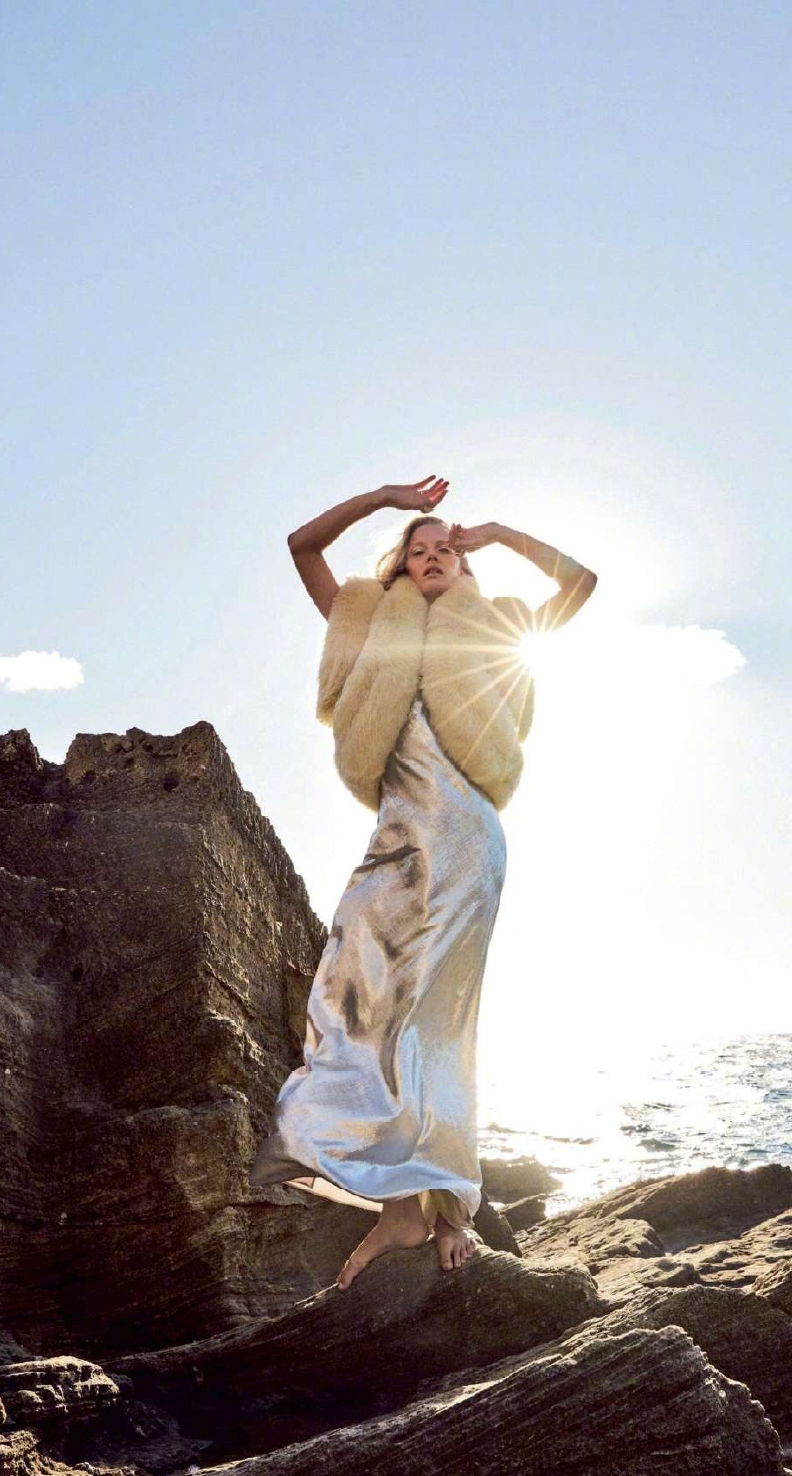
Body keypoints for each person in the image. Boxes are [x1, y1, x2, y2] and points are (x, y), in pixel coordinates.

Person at [249, 475, 596, 1289]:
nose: (434, 554)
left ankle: (440, 1209)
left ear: (463, 565)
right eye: (420, 548)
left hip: (467, 842)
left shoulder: (494, 629)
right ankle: (405, 1201)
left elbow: (580, 583)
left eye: (447, 548)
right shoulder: (367, 621)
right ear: (401, 565)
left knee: (436, 1024)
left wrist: (499, 532)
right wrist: (384, 498)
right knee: (355, 998)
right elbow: (301, 546)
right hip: (396, 843)